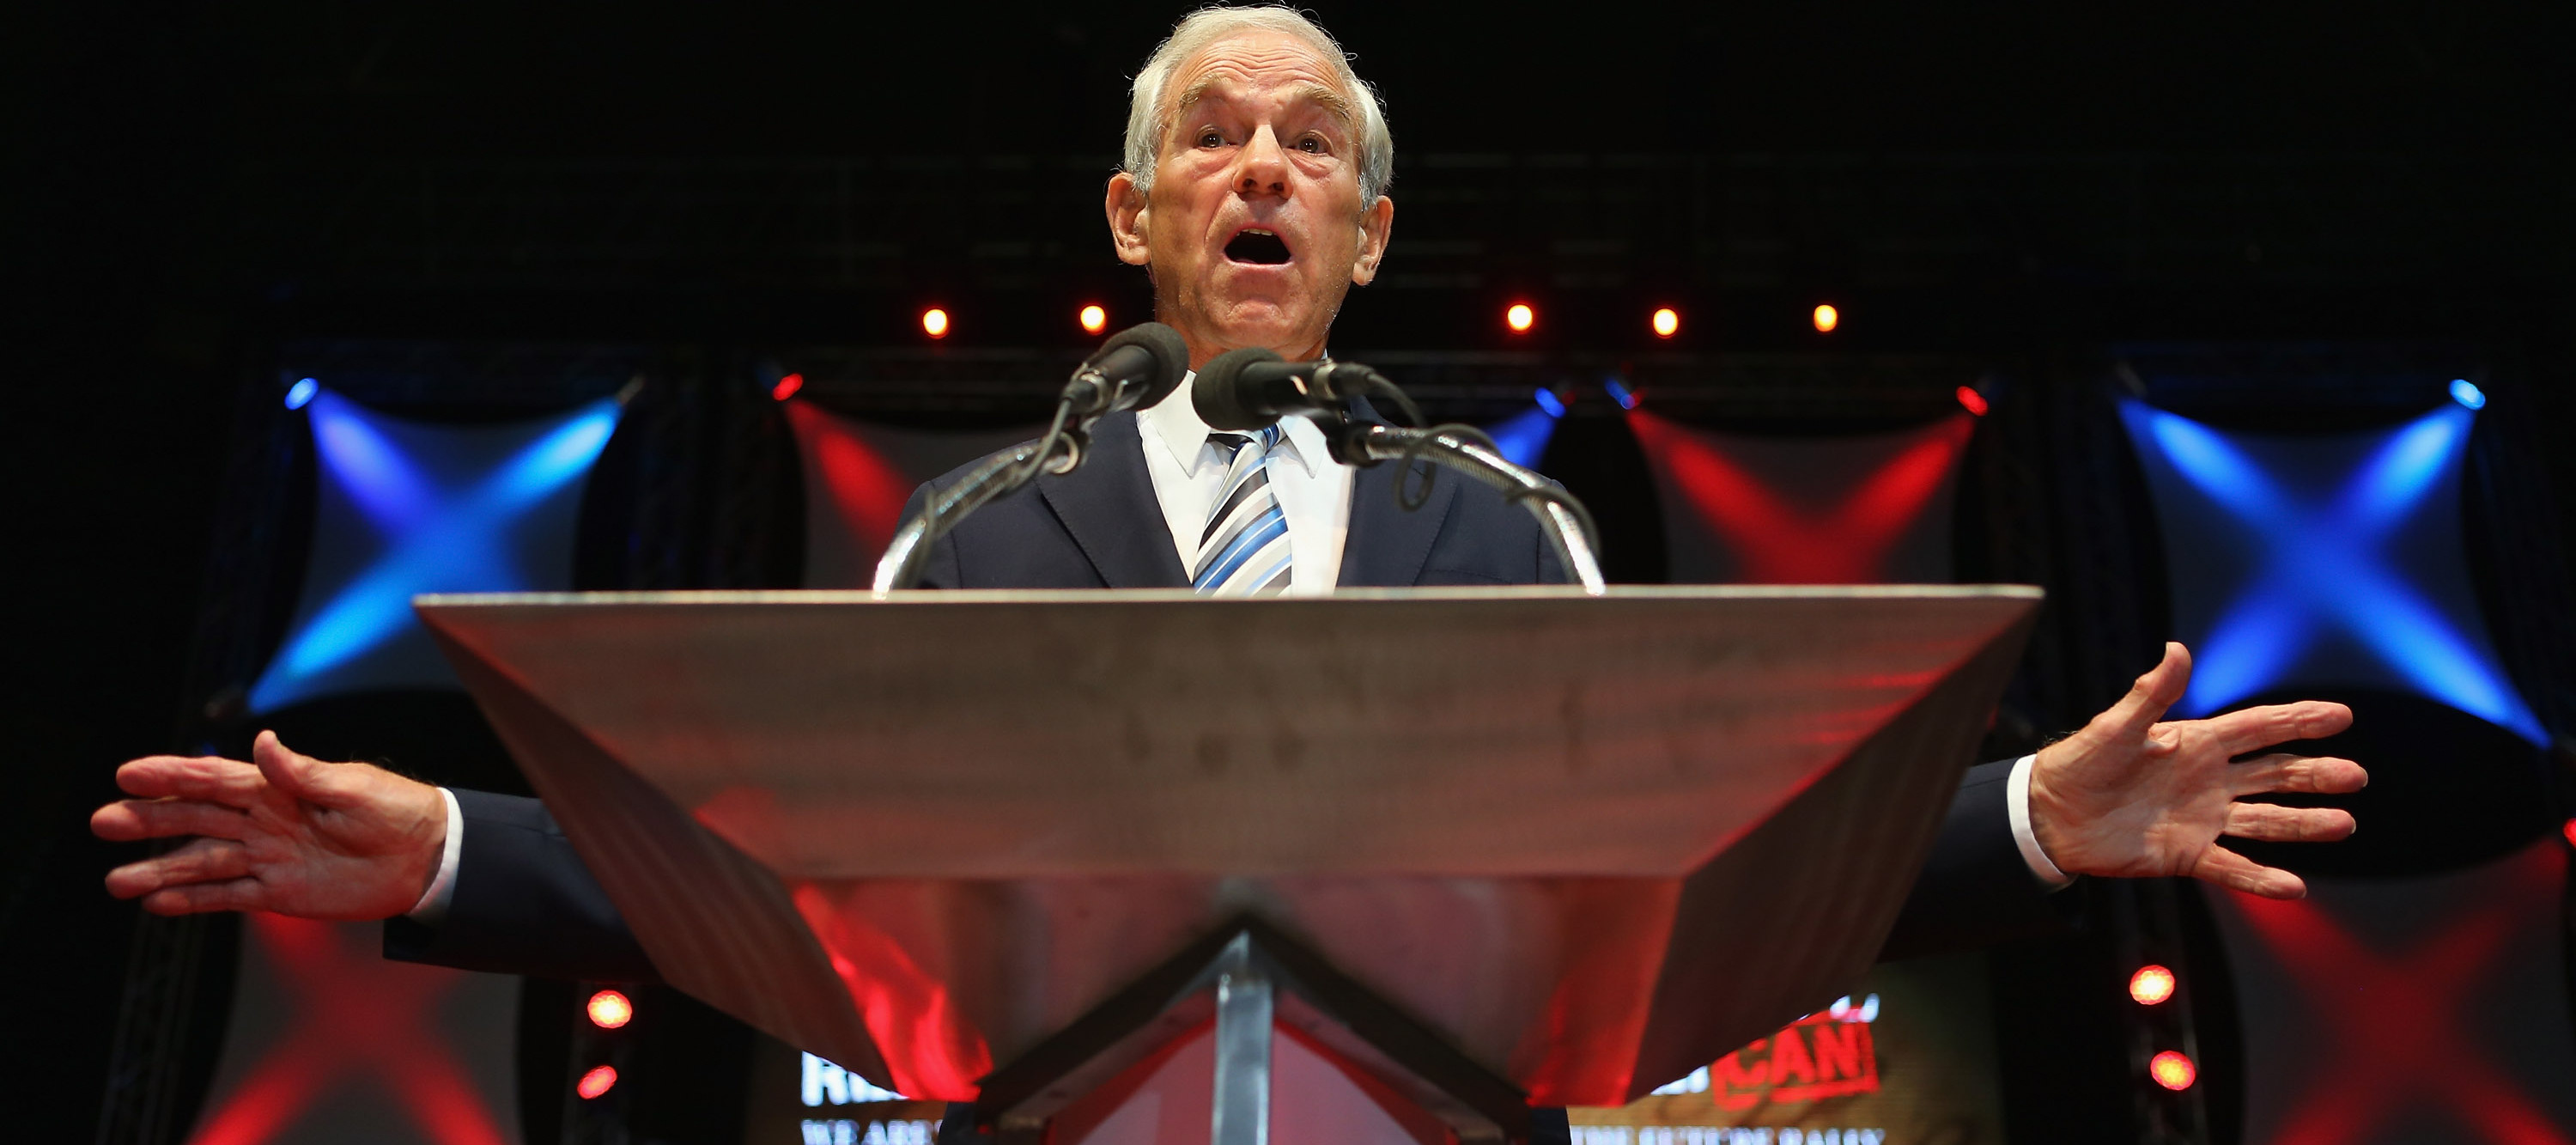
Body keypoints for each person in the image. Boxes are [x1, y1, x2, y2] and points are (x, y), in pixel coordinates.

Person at [93, 3, 2366, 1138]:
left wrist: (2036, 827)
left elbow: (1720, 877)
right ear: (1138, 218)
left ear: (1368, 238)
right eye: (1214, 136)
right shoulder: (976, 545)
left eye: (1312, 149)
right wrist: (453, 858)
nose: (1260, 168)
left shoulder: (1514, 533)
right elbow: (789, 886)